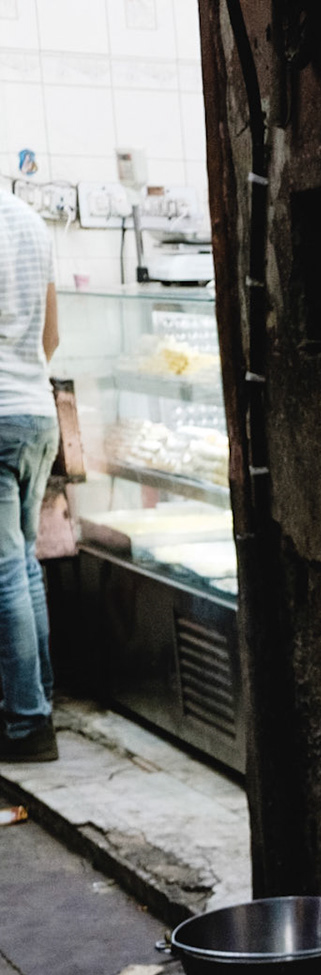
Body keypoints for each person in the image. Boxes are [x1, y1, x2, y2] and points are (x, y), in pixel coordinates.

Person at [0, 186, 59, 764]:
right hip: (38, 415)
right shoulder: (31, 222)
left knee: (4, 575)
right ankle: (41, 702)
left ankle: (26, 722)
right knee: (24, 565)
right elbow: (51, 338)